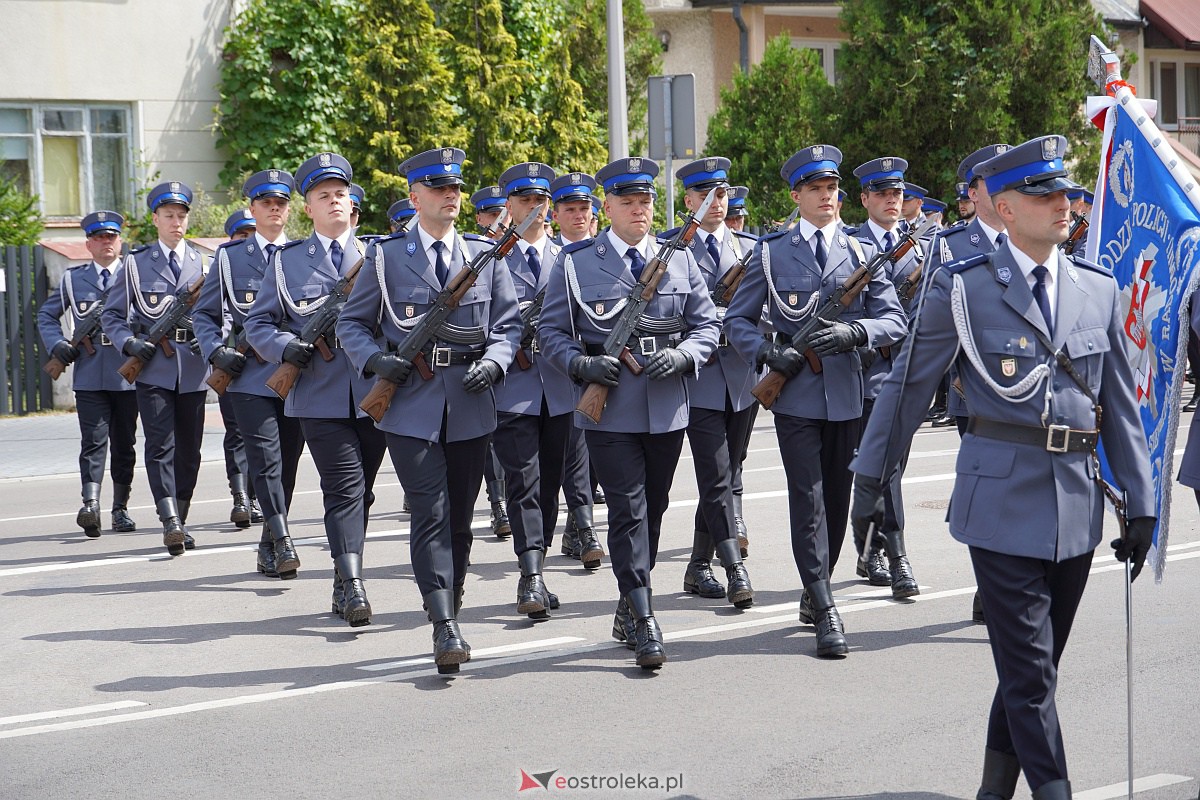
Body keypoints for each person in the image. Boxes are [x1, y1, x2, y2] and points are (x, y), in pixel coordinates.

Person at [851, 135, 1154, 800]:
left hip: (1075, 509)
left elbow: (1120, 407)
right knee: (1031, 674)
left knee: (1033, 671)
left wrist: (1142, 501)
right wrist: (871, 481)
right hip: (999, 504)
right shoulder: (964, 289)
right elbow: (906, 389)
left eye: (1065, 192)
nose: (1063, 204)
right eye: (1044, 195)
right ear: (1006, 208)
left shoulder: (1097, 289)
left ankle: (993, 791)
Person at [337, 146, 520, 671]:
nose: (451, 196)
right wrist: (376, 360)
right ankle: (443, 623)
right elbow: (353, 323)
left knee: (460, 517)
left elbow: (507, 325)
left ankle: (450, 598)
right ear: (415, 197)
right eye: (440, 188)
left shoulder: (484, 255)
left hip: (469, 400)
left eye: (456, 188)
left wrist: (497, 362)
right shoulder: (386, 256)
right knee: (430, 512)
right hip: (410, 403)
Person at [724, 145, 907, 657]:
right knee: (807, 500)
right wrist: (767, 352)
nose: (826, 197)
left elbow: (894, 319)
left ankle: (816, 584)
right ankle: (826, 607)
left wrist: (857, 332)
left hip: (847, 394)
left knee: (837, 500)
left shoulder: (861, 253)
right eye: (816, 189)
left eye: (832, 188)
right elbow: (737, 320)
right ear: (796, 196)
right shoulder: (771, 252)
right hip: (796, 396)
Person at [539, 156, 720, 669]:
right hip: (610, 407)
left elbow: (707, 325)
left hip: (666, 406)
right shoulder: (576, 262)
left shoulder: (679, 259)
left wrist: (685, 356)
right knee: (628, 510)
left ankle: (628, 599)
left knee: (654, 508)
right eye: (628, 201)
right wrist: (582, 364)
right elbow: (551, 332)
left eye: (645, 201)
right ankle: (643, 616)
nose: (639, 210)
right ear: (607, 206)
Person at [244, 152, 387, 626]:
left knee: (363, 492)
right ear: (308, 208)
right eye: (324, 196)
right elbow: (258, 323)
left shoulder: (378, 255)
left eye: (341, 194)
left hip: (373, 392)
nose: (335, 202)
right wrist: (287, 347)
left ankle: (344, 578)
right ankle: (353, 584)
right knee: (342, 489)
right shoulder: (287, 263)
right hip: (318, 394)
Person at [195, 168, 305, 580]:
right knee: (266, 460)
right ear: (253, 209)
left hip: (295, 375)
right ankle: (284, 539)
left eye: (280, 203)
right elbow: (205, 314)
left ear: (289, 210)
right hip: (247, 377)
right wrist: (216, 352)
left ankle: (268, 543)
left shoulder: (301, 254)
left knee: (288, 463)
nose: (274, 209)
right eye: (266, 203)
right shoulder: (230, 257)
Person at [485, 161, 576, 616]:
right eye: (525, 200)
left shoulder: (569, 258)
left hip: (560, 387)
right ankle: (530, 575)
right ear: (510, 205)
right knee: (523, 481)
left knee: (550, 485)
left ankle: (539, 566)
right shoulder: (491, 258)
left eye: (542, 200)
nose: (535, 208)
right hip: (514, 387)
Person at [101, 181, 209, 556]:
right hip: (153, 369)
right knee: (160, 445)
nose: (176, 222)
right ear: (155, 219)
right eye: (169, 216)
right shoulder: (135, 263)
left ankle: (182, 515)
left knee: (190, 452)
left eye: (181, 216)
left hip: (192, 369)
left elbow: (220, 313)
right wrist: (128, 343)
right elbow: (112, 315)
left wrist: (210, 339)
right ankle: (170, 520)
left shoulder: (204, 263)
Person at [669, 157, 755, 608]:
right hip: (699, 376)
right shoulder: (672, 248)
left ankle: (697, 563)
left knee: (727, 472)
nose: (715, 203)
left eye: (721, 194)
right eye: (705, 195)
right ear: (689, 201)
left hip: (741, 377)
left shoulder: (750, 247)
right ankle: (733, 567)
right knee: (717, 473)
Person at [846, 155, 922, 598]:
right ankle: (896, 556)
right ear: (865, 199)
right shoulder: (852, 245)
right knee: (883, 469)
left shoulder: (921, 247)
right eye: (882, 194)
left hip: (910, 372)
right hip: (870, 373)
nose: (892, 200)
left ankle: (869, 545)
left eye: (897, 193)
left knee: (891, 468)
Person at [37, 210, 139, 538]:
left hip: (127, 373)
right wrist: (57, 345)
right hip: (90, 374)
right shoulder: (73, 279)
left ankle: (120, 509)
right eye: (99, 237)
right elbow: (46, 315)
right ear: (89, 244)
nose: (106, 242)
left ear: (120, 242)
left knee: (124, 444)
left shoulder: (135, 275)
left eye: (111, 236)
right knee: (92, 443)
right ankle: (90, 505)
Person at [546, 171, 605, 569]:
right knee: (566, 455)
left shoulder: (604, 255)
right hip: (556, 370)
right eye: (570, 209)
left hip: (598, 370)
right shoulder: (551, 256)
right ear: (556, 215)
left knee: (589, 454)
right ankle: (581, 528)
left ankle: (578, 528)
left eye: (585, 208)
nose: (579, 216)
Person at [216, 208, 260, 530]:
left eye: (252, 234)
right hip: (233, 362)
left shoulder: (275, 264)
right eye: (242, 235)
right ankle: (240, 496)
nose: (248, 241)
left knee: (265, 438)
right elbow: (213, 313)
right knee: (236, 433)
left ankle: (257, 497)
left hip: (267, 363)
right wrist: (219, 348)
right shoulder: (223, 268)